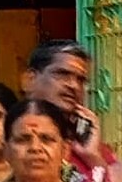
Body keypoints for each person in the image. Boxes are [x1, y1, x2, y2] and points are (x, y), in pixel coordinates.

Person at [22, 41, 109, 174]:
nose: (73, 86)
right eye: (62, 74)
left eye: (81, 80)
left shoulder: (93, 149)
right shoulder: (5, 138)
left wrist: (93, 158)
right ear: (30, 79)